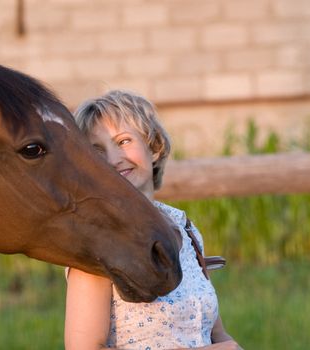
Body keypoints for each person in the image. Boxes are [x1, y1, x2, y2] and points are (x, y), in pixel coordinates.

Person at [64, 90, 242, 350]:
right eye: (97, 150)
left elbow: (216, 335)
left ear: (154, 147)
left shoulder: (185, 228)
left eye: (123, 141)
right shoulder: (96, 242)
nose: (113, 160)